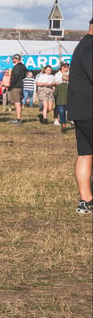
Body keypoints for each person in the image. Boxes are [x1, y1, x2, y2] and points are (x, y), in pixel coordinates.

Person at [68, 18, 92, 214]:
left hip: (81, 110)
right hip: (90, 110)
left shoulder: (82, 45)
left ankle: (86, 201)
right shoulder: (90, 47)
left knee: (85, 154)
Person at [8, 54, 26, 123]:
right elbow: (24, 76)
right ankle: (18, 118)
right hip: (21, 86)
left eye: (13, 58)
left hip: (15, 87)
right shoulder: (23, 66)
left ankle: (18, 119)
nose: (12, 60)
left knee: (17, 103)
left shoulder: (16, 67)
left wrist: (10, 86)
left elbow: (15, 77)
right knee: (19, 103)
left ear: (16, 59)